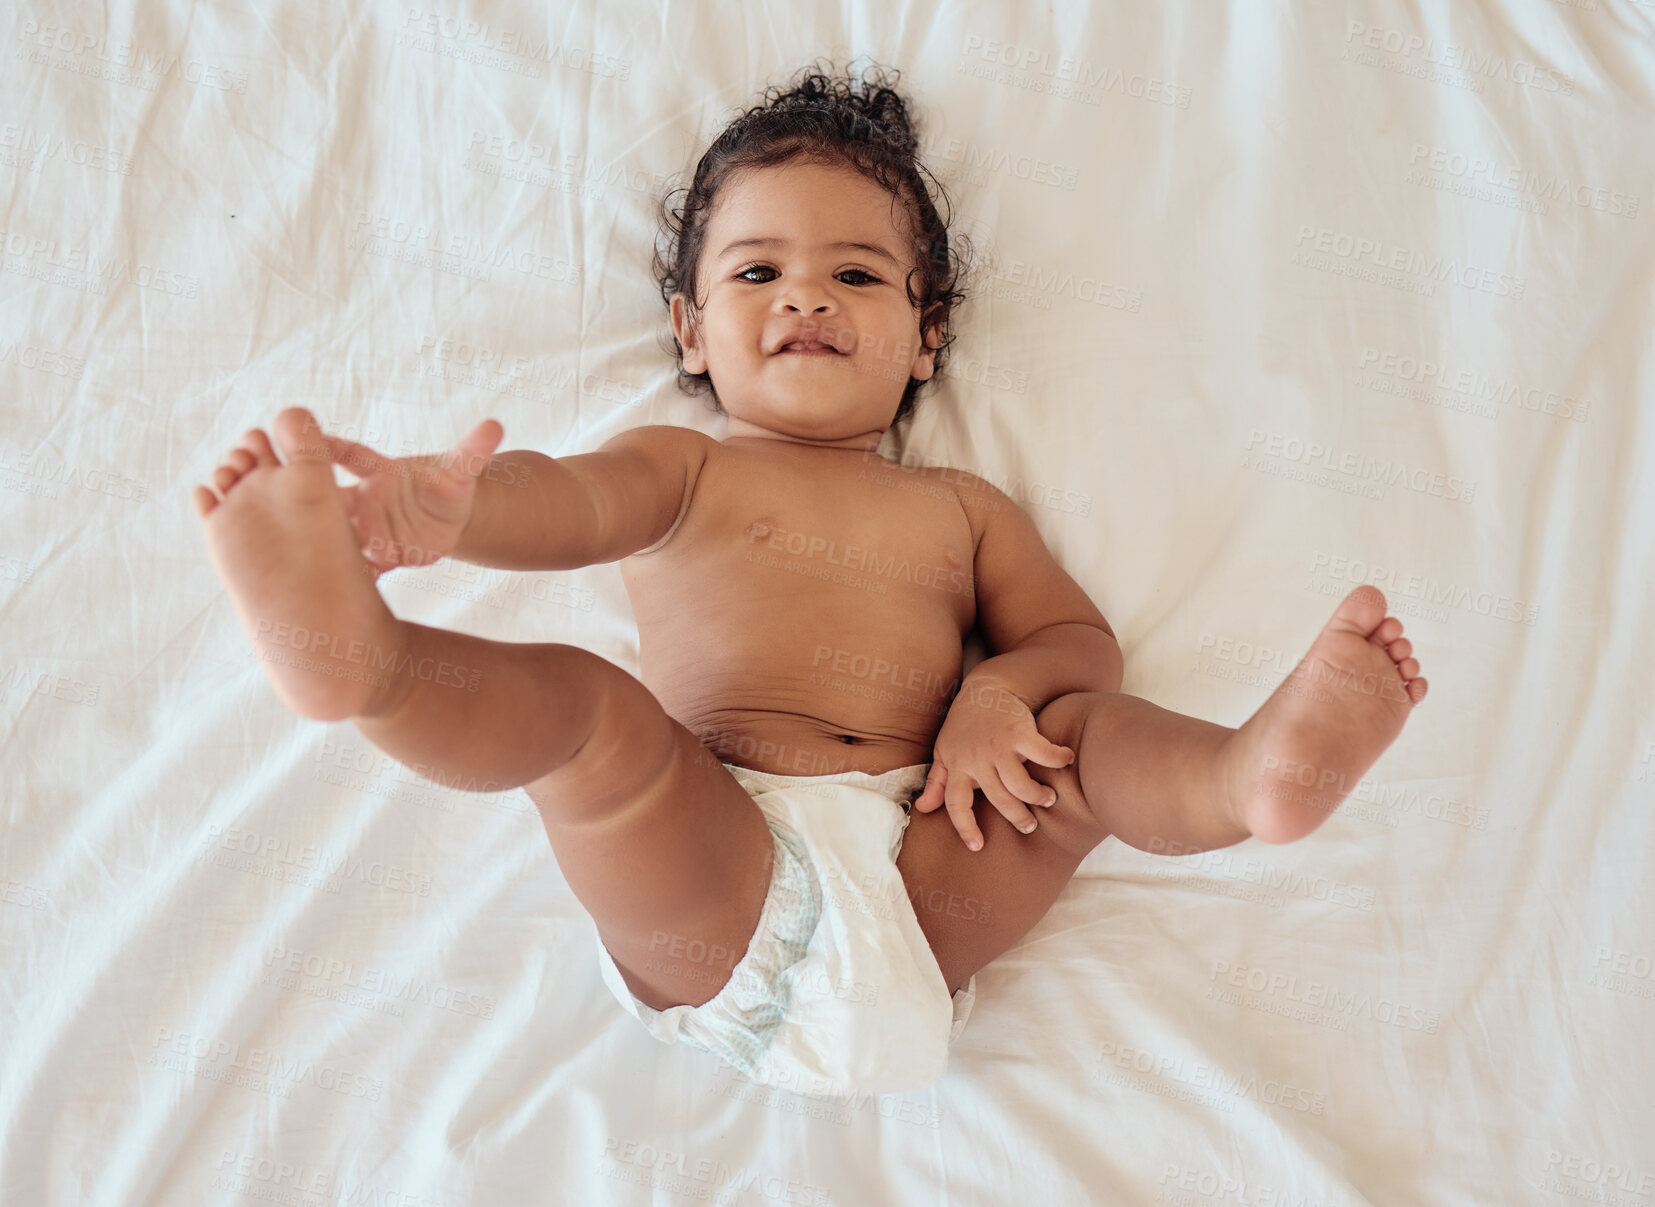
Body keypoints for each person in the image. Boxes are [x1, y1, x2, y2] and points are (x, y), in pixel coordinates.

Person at [190, 60, 1426, 1097]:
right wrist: (451, 512)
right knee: (592, 716)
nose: (805, 300)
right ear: (687, 330)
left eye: (854, 274)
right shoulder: (679, 470)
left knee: (1076, 739)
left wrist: (1001, 695)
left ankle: (1241, 778)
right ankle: (361, 661)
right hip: (708, 873)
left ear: (924, 332)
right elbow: (568, 503)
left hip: (927, 869)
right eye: (754, 273)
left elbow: (1072, 638)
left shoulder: (962, 506)